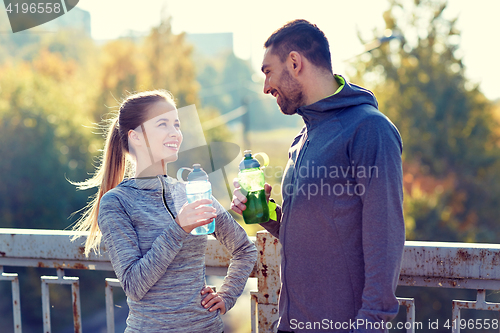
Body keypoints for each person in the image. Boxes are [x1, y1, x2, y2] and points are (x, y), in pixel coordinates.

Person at [231, 20, 405, 333]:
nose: (265, 87)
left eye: (267, 71)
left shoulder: (369, 129)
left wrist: (370, 324)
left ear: (295, 62)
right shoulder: (303, 139)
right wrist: (264, 211)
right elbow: (313, 233)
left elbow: (386, 235)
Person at [73, 90, 257, 332]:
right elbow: (134, 285)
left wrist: (227, 295)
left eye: (177, 124)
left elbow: (244, 249)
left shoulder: (194, 192)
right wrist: (179, 229)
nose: (176, 133)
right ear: (135, 136)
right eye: (163, 124)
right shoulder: (116, 203)